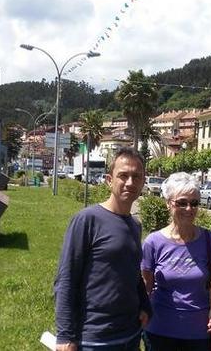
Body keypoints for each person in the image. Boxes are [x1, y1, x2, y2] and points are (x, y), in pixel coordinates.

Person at [54, 147, 151, 351]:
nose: (130, 182)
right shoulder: (87, 219)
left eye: (136, 176)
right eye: (123, 176)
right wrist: (64, 336)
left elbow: (133, 273)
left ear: (143, 181)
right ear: (109, 180)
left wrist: (144, 305)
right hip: (95, 338)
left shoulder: (134, 224)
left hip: (130, 334)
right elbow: (66, 278)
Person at [141, 172, 211, 351]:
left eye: (194, 203)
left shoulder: (208, 239)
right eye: (182, 202)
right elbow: (146, 286)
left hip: (199, 333)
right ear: (168, 203)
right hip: (160, 331)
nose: (189, 209)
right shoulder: (153, 242)